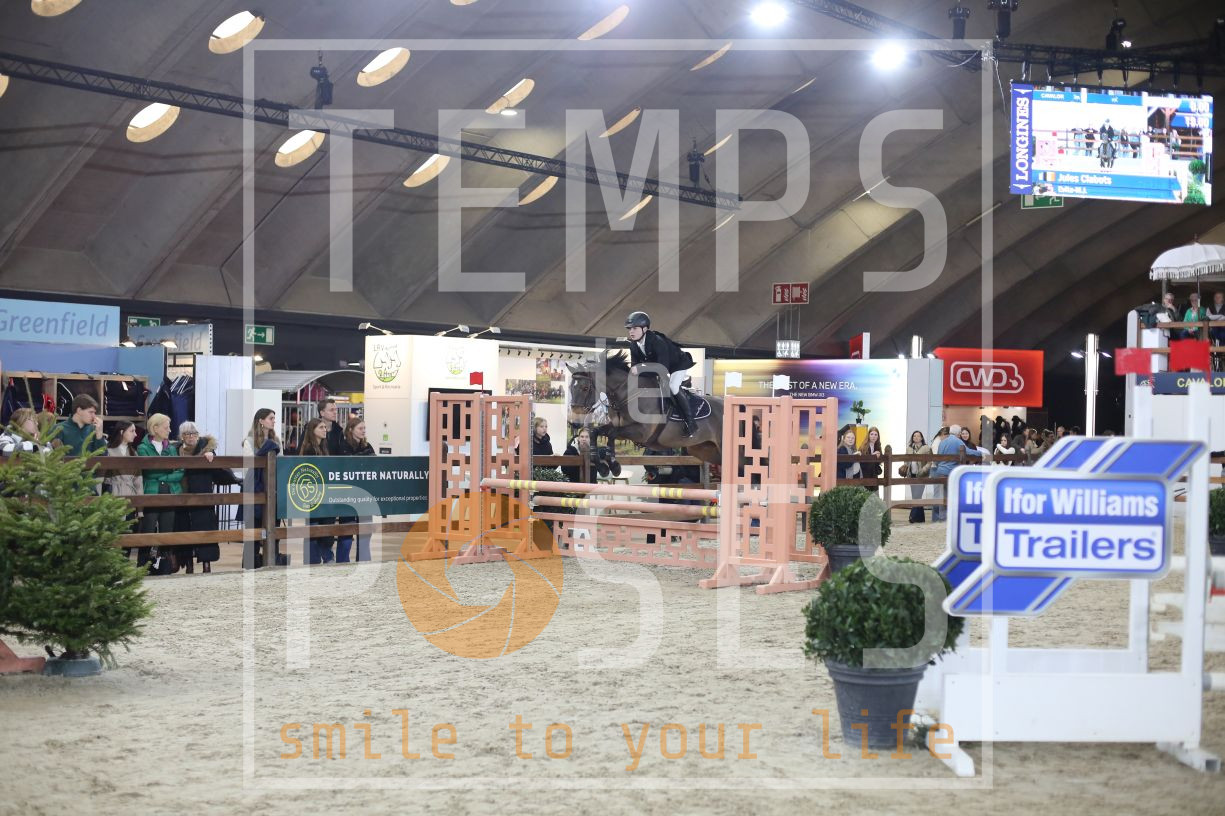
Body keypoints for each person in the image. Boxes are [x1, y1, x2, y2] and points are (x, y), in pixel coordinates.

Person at [177, 422, 240, 574]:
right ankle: (189, 565)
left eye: (194, 433)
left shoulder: (206, 449)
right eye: (187, 434)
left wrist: (212, 458)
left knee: (206, 529)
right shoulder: (176, 450)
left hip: (203, 496)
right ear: (182, 436)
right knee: (185, 528)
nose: (191, 437)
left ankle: (207, 564)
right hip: (182, 496)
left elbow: (219, 472)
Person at [623, 310, 697, 437]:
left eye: (634, 328)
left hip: (677, 365)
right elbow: (635, 366)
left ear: (645, 329)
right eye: (629, 329)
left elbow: (662, 368)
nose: (631, 332)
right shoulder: (633, 345)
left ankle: (691, 423)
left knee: (673, 387)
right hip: (659, 367)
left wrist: (640, 370)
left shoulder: (657, 341)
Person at [136, 413, 183, 574]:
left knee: (167, 529)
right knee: (148, 528)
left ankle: (165, 566)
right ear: (155, 428)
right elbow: (150, 471)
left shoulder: (171, 448)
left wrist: (164, 476)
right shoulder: (142, 448)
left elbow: (180, 471)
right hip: (151, 491)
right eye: (166, 427)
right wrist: (167, 471)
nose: (169, 430)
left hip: (170, 491)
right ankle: (143, 565)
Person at [241, 408, 281, 567]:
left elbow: (281, 462)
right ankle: (250, 564)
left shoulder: (276, 441)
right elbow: (248, 467)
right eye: (271, 418)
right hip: (255, 489)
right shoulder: (249, 441)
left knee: (273, 528)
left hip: (273, 489)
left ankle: (271, 563)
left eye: (274, 418)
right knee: (253, 529)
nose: (273, 421)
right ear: (261, 421)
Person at [337, 415, 375, 562]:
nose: (363, 431)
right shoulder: (343, 446)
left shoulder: (367, 445)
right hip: (348, 494)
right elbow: (348, 464)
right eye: (360, 428)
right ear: (351, 430)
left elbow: (374, 462)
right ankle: (342, 563)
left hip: (365, 494)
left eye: (364, 428)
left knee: (365, 531)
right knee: (346, 532)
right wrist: (364, 457)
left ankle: (364, 561)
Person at [299, 418, 335, 564]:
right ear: (312, 430)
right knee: (314, 528)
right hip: (313, 494)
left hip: (325, 492)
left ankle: (327, 557)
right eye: (321, 427)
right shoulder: (309, 449)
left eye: (325, 427)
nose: (324, 430)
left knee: (326, 526)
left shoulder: (324, 448)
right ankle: (314, 560)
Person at [104, 421, 142, 553]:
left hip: (130, 497)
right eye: (132, 431)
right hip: (113, 495)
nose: (135, 434)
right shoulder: (108, 452)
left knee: (128, 535)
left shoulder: (134, 453)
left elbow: (138, 481)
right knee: (113, 534)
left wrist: (140, 508)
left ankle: (125, 562)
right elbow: (101, 478)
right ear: (121, 432)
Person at [931, 424, 981, 522]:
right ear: (958, 433)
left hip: (940, 471)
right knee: (952, 495)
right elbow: (968, 452)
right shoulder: (958, 441)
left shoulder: (942, 442)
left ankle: (942, 518)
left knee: (943, 495)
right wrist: (980, 453)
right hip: (951, 472)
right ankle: (951, 518)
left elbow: (938, 458)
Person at [899, 430, 931, 523]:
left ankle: (912, 516)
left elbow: (930, 462)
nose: (916, 437)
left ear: (921, 438)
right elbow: (906, 461)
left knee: (917, 496)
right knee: (916, 497)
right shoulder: (909, 448)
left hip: (922, 476)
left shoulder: (926, 448)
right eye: (914, 436)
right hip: (912, 475)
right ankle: (921, 519)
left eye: (918, 436)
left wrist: (923, 470)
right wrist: (905, 467)